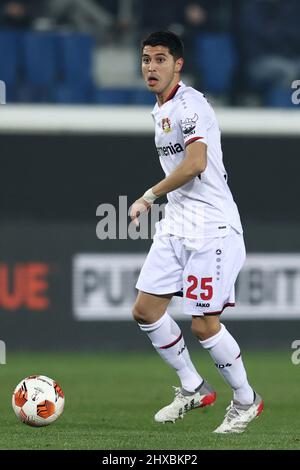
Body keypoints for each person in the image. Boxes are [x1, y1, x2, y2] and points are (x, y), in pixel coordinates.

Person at [130, 31, 264, 434]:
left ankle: (246, 401)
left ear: (178, 64)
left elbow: (196, 163)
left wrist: (148, 196)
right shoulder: (161, 109)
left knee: (204, 324)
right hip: (178, 223)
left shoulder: (191, 105)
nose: (151, 67)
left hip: (212, 226)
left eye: (159, 59)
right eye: (146, 59)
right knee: (146, 311)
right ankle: (193, 387)